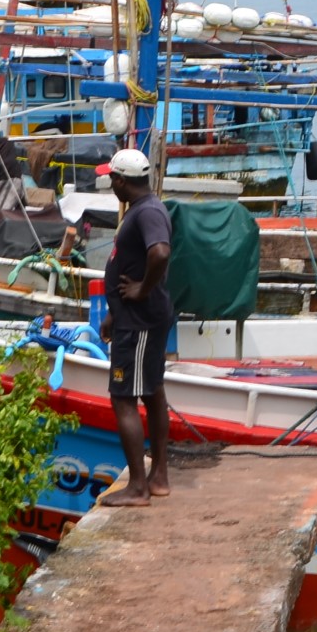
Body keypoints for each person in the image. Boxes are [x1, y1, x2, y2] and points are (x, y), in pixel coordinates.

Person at [92, 146, 173, 506]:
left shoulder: (148, 212)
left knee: (124, 397)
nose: (110, 184)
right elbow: (134, 261)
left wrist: (141, 290)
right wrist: (115, 309)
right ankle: (158, 477)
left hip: (139, 323)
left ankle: (138, 486)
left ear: (122, 181)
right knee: (153, 391)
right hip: (134, 316)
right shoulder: (144, 209)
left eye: (112, 178)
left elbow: (160, 253)